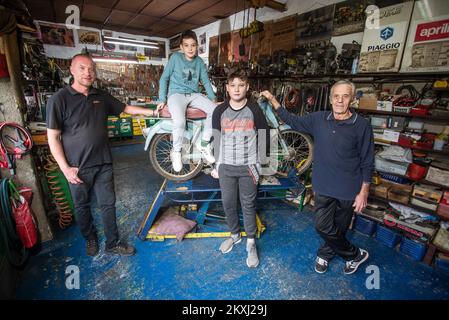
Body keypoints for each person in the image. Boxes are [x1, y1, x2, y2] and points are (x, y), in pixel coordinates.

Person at [46, 53, 157, 257]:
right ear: (72, 70)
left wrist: (155, 112)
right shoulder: (59, 99)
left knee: (108, 204)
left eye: (91, 69)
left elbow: (127, 109)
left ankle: (112, 243)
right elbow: (53, 137)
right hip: (77, 167)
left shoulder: (101, 96)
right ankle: (90, 239)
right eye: (82, 68)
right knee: (82, 206)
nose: (88, 72)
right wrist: (65, 168)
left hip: (104, 163)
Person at [260, 80, 374, 275]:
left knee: (339, 227)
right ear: (330, 99)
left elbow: (367, 160)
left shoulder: (362, 126)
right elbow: (292, 120)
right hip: (323, 185)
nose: (340, 100)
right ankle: (354, 254)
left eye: (345, 96)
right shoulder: (319, 118)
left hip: (348, 188)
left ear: (352, 99)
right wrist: (272, 99)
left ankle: (325, 254)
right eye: (336, 96)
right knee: (322, 226)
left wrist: (363, 192)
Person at [211, 70, 270, 268]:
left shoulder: (254, 110)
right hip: (226, 166)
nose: (237, 89)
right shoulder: (219, 111)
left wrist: (259, 163)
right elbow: (216, 138)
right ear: (227, 88)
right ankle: (235, 235)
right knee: (228, 203)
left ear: (247, 88)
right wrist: (216, 164)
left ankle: (251, 242)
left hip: (248, 167)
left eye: (241, 85)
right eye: (233, 85)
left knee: (248, 204)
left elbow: (264, 135)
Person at [157, 30, 216, 173]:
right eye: (187, 45)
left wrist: (212, 98)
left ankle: (204, 144)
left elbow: (206, 81)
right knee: (180, 122)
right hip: (176, 94)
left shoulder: (199, 61)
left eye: (193, 45)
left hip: (193, 95)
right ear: (181, 48)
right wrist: (162, 98)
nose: (190, 48)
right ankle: (176, 152)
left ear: (197, 46)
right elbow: (164, 78)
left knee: (215, 111)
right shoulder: (175, 58)